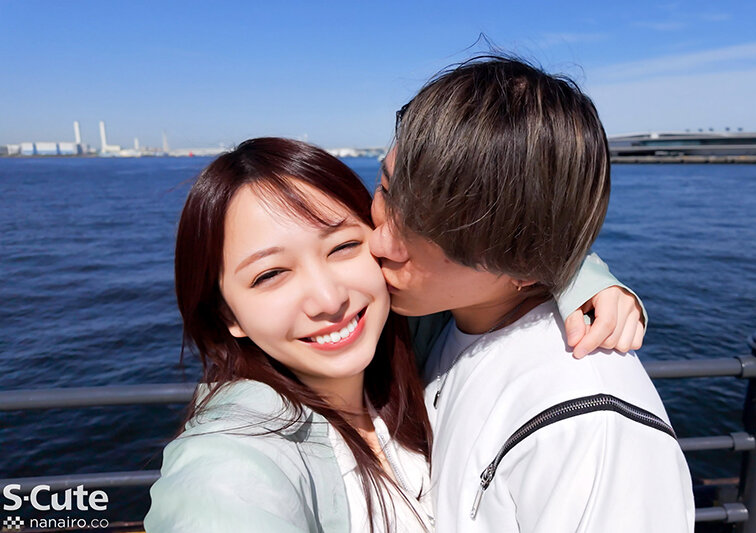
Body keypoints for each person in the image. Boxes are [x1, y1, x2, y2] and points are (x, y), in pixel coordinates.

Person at [144, 136, 647, 532]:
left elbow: (480, 259)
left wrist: (573, 271)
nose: (328, 299)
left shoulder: (408, 343)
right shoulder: (233, 457)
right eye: (270, 275)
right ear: (227, 315)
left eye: (343, 247)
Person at [369, 56, 695, 532]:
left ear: (524, 264)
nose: (379, 242)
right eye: (385, 190)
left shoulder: (588, 425)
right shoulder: (443, 316)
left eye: (426, 231)